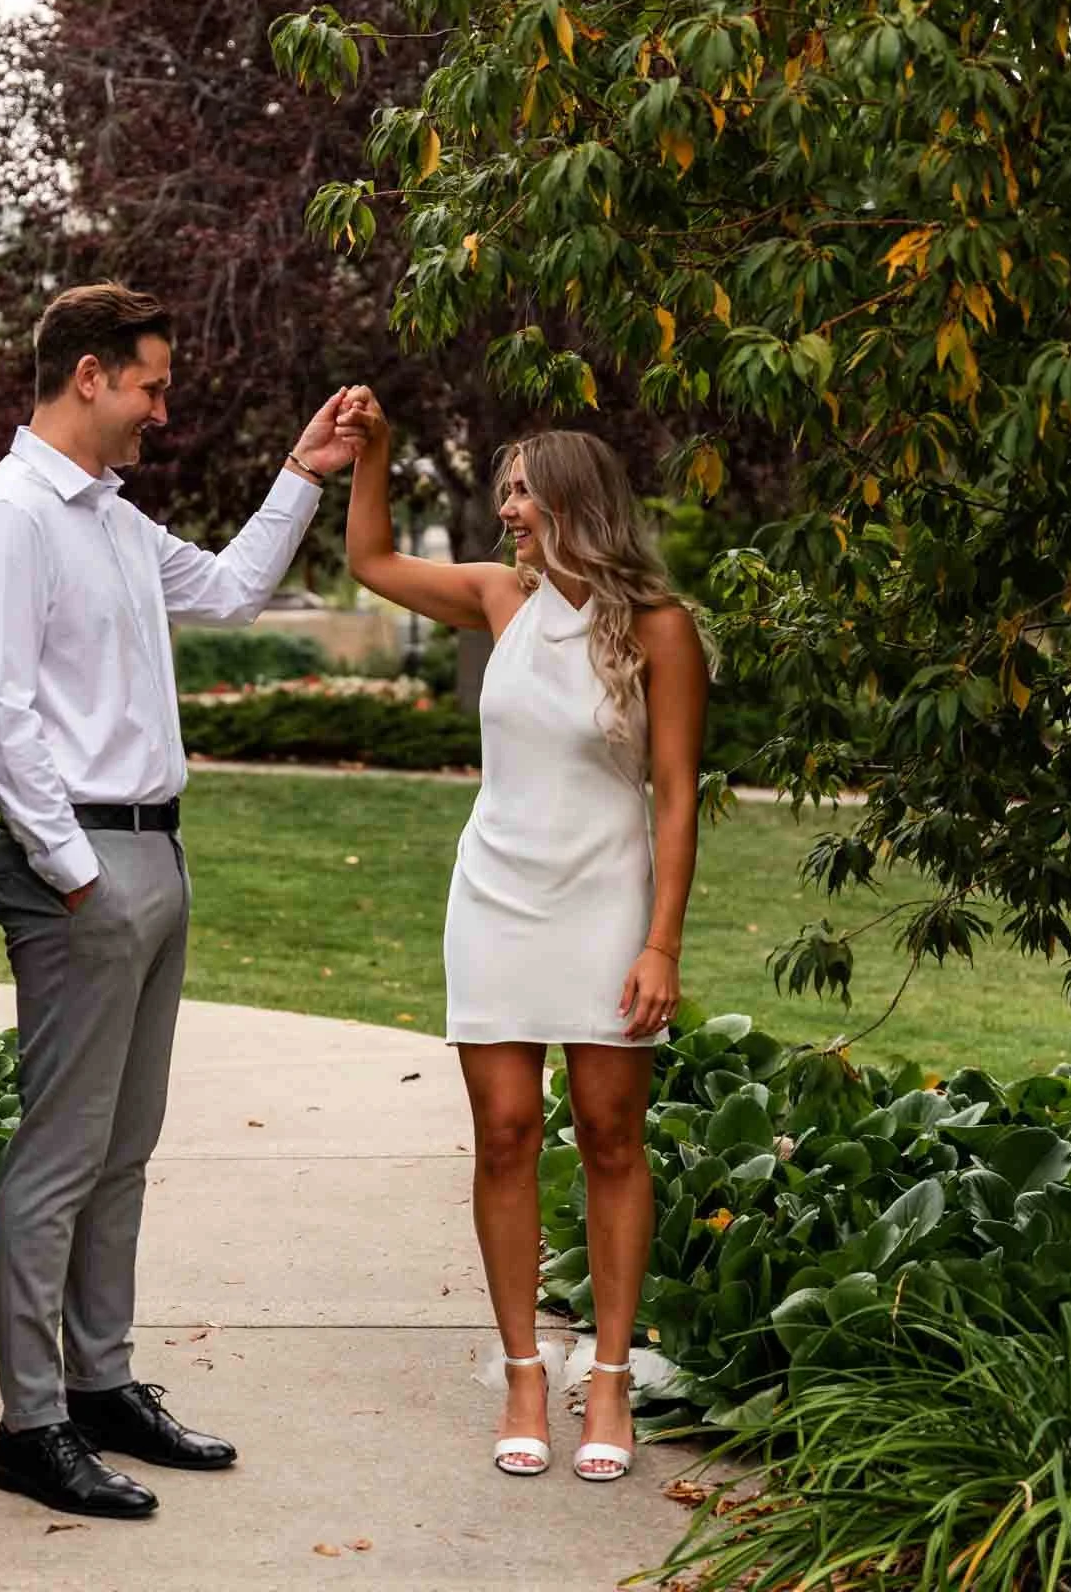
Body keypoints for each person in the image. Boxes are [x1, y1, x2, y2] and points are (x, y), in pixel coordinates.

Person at [0, 281, 367, 1520]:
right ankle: (29, 1427)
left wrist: (305, 470)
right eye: (151, 384)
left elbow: (233, 589)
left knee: (121, 1155)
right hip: (78, 872)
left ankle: (100, 1386)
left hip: (156, 856)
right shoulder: (8, 517)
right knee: (59, 1159)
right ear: (87, 375)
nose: (161, 410)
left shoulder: (115, 523)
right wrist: (74, 874)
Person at [344, 393, 708, 1483]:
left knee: (607, 1132)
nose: (506, 509)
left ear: (572, 504)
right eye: (503, 490)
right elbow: (366, 557)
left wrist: (661, 945)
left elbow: (678, 798)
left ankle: (606, 1377)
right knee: (504, 1130)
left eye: (520, 492)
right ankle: (520, 1372)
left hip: (607, 899)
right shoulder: (497, 600)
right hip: (494, 893)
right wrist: (373, 454)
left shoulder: (659, 628)